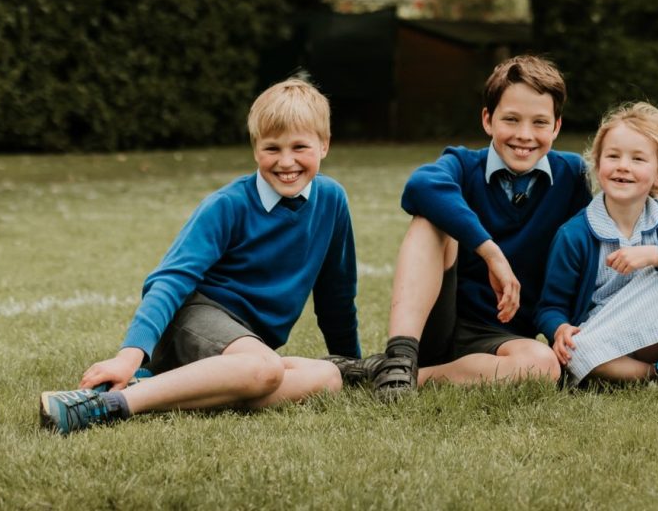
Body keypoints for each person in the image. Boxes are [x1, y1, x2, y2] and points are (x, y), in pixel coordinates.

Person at [39, 79, 360, 435]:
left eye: (300, 146)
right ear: (256, 150)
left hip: (244, 344)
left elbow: (336, 295)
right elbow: (170, 280)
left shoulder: (332, 200)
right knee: (266, 369)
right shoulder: (228, 205)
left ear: (324, 145)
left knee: (329, 377)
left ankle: (168, 387)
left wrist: (352, 362)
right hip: (196, 317)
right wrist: (129, 356)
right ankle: (112, 404)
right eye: (272, 148)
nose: (286, 161)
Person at [335, 55, 591, 396]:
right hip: (438, 322)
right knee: (431, 219)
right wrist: (491, 252)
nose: (524, 135)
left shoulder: (571, 176)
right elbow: (420, 186)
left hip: (502, 338)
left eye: (539, 123)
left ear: (557, 127)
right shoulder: (462, 163)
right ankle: (400, 356)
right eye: (511, 119)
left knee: (542, 366)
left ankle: (389, 376)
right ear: (488, 119)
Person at [535, 103, 658, 389]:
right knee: (576, 354)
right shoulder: (575, 234)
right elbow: (549, 306)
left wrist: (654, 254)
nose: (623, 166)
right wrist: (560, 328)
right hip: (609, 337)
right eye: (613, 156)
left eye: (638, 159)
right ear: (598, 164)